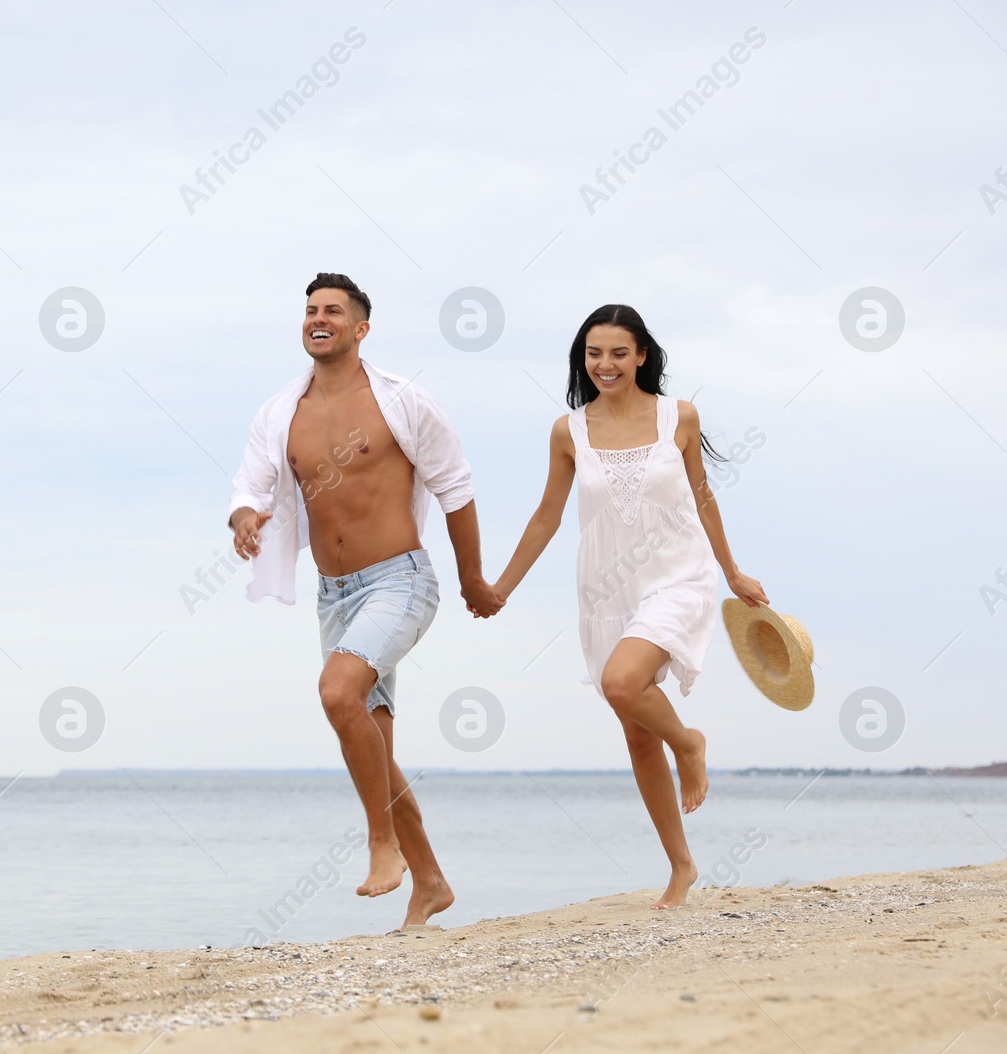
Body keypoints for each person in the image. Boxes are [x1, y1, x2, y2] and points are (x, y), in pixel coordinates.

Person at [228, 272, 504, 929]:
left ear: (360, 328)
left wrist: (472, 582)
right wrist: (242, 516)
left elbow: (456, 489)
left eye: (333, 311)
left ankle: (383, 844)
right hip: (336, 595)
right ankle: (431, 880)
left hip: (399, 580)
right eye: (310, 310)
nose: (318, 318)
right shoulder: (279, 413)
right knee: (373, 741)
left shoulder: (403, 401)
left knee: (336, 693)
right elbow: (250, 482)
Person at [491, 304, 767, 909]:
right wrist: (501, 587)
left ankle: (689, 744)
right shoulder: (570, 430)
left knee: (623, 683)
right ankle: (681, 867)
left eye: (618, 352)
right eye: (594, 353)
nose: (605, 364)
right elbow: (546, 516)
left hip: (678, 575)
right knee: (638, 737)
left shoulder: (679, 415)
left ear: (642, 354)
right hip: (606, 589)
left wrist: (732, 572)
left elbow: (703, 497)